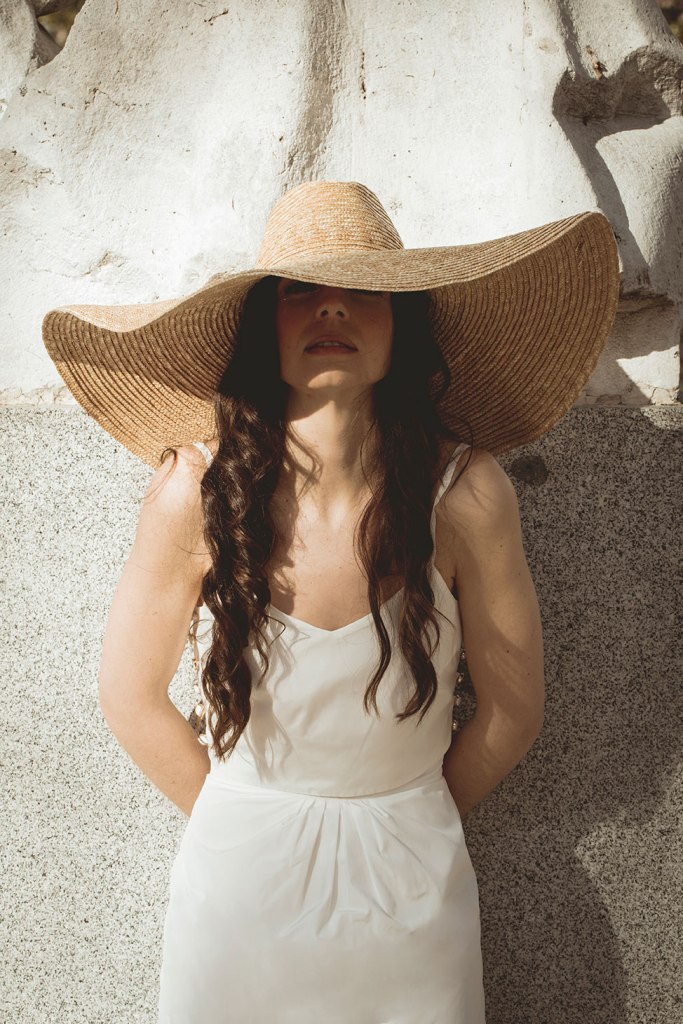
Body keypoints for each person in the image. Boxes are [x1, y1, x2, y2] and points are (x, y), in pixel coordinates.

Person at [41, 180, 619, 1023]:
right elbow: (128, 696)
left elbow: (513, 709)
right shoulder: (194, 494)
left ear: (401, 327)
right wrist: (247, 820)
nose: (332, 308)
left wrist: (402, 812)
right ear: (262, 331)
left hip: (413, 897)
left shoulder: (466, 493)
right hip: (236, 898)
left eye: (364, 292)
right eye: (298, 290)